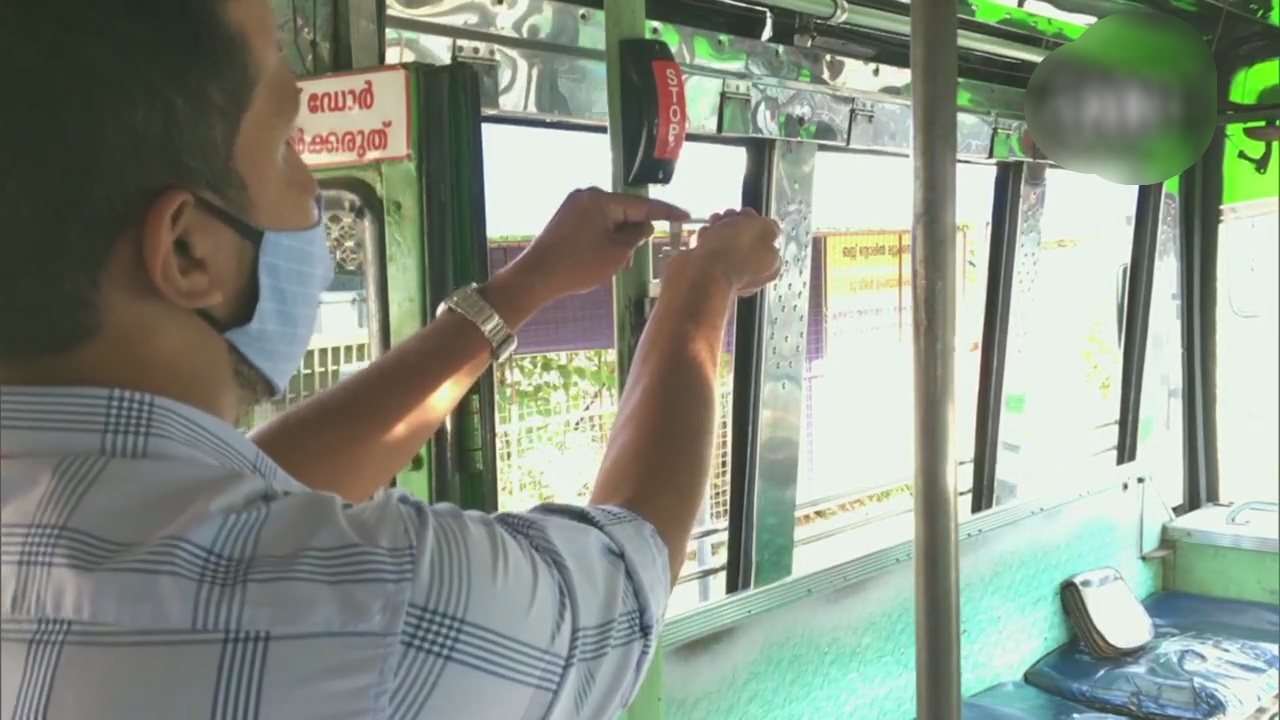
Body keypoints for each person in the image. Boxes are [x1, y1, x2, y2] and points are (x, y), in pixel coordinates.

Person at [0, 0, 782, 718]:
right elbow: (627, 568)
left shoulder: (74, 523)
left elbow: (253, 487)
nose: (310, 184)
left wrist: (527, 286)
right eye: (282, 145)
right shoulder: (380, 610)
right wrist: (704, 283)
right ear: (186, 248)